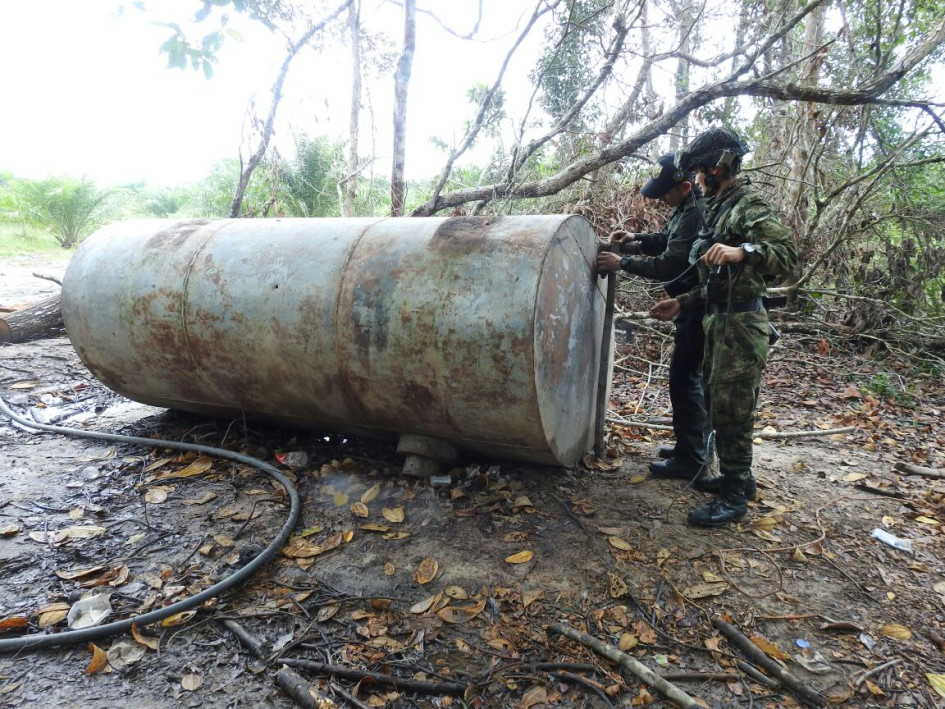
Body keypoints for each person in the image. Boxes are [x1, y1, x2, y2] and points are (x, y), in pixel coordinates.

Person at [649, 128, 797, 527]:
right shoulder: (720, 206)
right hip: (719, 319)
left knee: (733, 411)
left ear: (717, 168)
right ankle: (739, 479)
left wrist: (742, 251)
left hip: (742, 324)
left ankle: (733, 497)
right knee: (719, 403)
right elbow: (714, 281)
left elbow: (786, 255)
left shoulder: (749, 204)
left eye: (699, 172)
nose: (697, 180)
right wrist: (683, 301)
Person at [596, 154, 710, 483]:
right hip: (689, 305)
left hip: (697, 306)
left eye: (665, 193)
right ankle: (689, 448)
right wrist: (636, 239)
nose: (661, 199)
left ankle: (692, 459)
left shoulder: (696, 212)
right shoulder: (685, 208)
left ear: (685, 187)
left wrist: (623, 264)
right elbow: (666, 241)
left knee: (685, 380)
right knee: (686, 379)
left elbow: (671, 263)